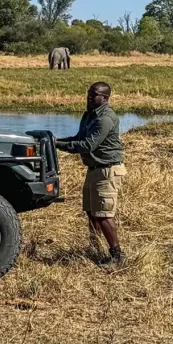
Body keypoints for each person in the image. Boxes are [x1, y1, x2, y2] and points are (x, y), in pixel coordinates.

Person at [55, 82, 127, 264]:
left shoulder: (105, 118)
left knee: (103, 215)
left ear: (105, 98)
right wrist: (56, 140)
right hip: (94, 169)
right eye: (88, 93)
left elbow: (88, 145)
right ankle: (94, 249)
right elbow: (79, 139)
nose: (88, 97)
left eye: (93, 94)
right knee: (91, 211)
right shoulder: (89, 115)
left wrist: (58, 145)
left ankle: (116, 255)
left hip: (107, 170)